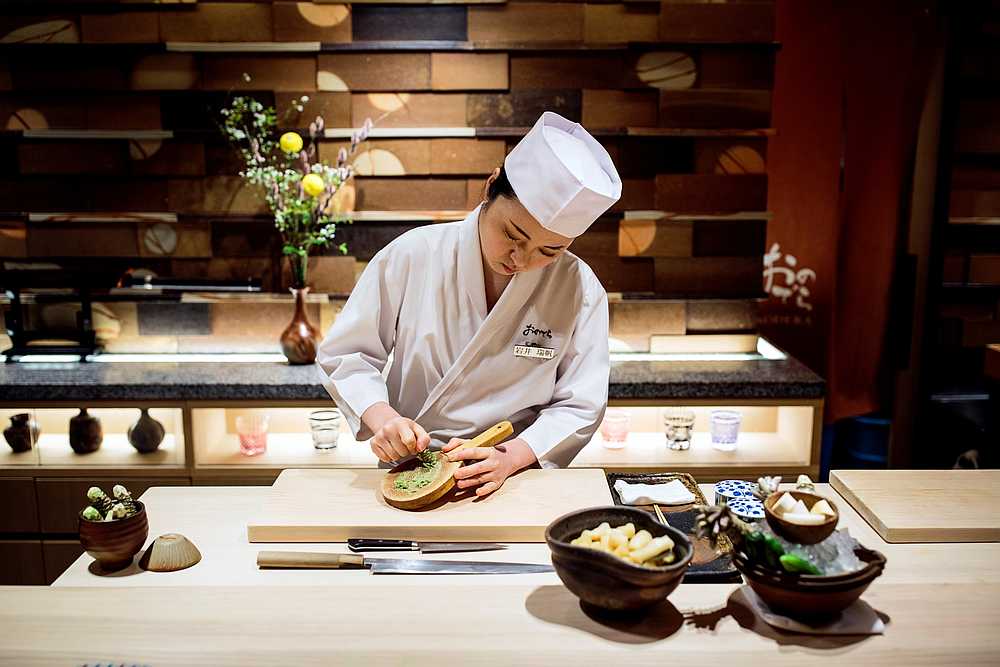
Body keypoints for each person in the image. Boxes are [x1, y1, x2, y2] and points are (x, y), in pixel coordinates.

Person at [316, 111, 621, 497]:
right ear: (491, 186)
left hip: (512, 477)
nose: (520, 260)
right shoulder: (413, 255)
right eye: (513, 234)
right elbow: (349, 355)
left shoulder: (579, 288)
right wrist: (384, 420)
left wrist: (511, 457)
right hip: (409, 471)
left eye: (550, 250)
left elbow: (580, 403)